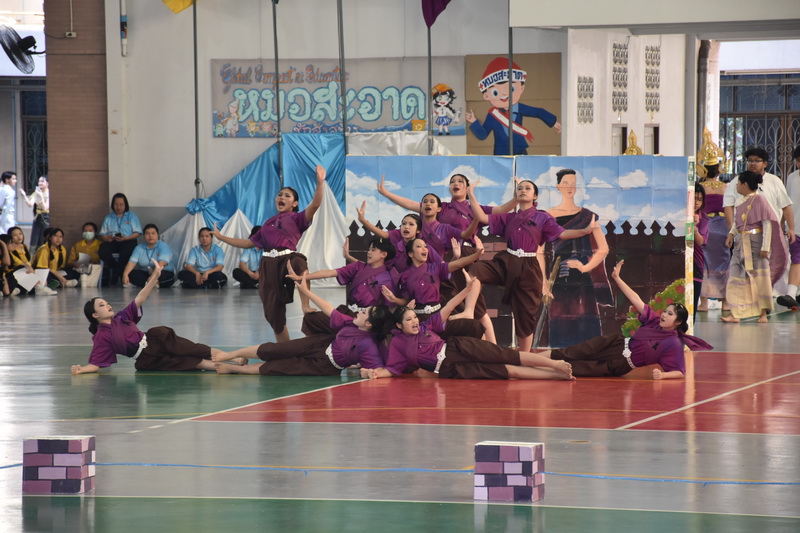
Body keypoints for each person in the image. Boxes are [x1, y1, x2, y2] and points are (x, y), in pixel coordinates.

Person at [377, 172, 516, 343]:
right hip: (444, 259)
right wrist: (386, 193)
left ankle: (492, 345)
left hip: (466, 255)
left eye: (460, 181)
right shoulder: (442, 207)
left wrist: (517, 199)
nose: (455, 184)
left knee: (476, 306)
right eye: (452, 181)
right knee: (448, 301)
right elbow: (412, 205)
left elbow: (501, 210)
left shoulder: (475, 208)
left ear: (467, 187)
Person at [467, 179, 599, 352]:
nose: (522, 190)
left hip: (528, 267)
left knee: (526, 314)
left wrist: (585, 231)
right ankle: (469, 311)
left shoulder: (542, 217)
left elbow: (563, 233)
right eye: (520, 188)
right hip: (507, 261)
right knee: (476, 270)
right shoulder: (509, 217)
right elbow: (482, 217)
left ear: (535, 196)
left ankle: (524, 356)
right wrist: (471, 194)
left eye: (527, 188)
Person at [365, 277, 574, 381]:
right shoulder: (399, 344)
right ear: (399, 325)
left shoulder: (427, 326)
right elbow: (392, 369)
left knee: (507, 356)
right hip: (450, 369)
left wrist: (466, 290)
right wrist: (375, 374)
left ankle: (555, 364)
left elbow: (448, 307)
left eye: (414, 318)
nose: (414, 322)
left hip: (458, 347)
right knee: (505, 371)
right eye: (408, 320)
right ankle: (557, 375)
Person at [534, 260, 713, 379]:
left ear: (678, 322)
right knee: (570, 352)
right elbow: (636, 299)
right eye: (665, 311)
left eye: (670, 314)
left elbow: (680, 371)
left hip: (619, 364)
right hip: (615, 343)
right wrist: (617, 278)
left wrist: (663, 376)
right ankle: (528, 360)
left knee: (576, 368)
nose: (664, 315)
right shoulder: (653, 321)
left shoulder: (673, 343)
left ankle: (533, 370)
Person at [210, 165, 327, 342]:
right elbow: (248, 243)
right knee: (273, 314)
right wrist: (221, 237)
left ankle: (305, 304)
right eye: (280, 194)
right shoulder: (266, 224)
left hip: (286, 259)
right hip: (268, 265)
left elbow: (316, 204)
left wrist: (320, 183)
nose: (282, 197)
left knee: (299, 263)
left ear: (294, 204)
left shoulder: (297, 218)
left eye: (287, 196)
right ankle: (285, 350)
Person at [71, 260, 239, 375]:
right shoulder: (101, 336)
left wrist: (154, 277)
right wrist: (82, 369)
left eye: (107, 303)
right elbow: (96, 363)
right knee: (191, 361)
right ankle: (232, 367)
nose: (108, 305)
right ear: (95, 315)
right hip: (148, 358)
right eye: (102, 305)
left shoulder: (122, 317)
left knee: (194, 349)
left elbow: (140, 298)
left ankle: (234, 357)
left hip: (157, 340)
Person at [213, 271, 392, 376]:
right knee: (274, 350)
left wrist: (369, 373)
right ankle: (232, 354)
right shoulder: (351, 322)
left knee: (277, 367)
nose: (359, 311)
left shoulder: (368, 346)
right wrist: (306, 291)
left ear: (369, 324)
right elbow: (328, 308)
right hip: (321, 343)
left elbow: (377, 369)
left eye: (364, 313)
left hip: (325, 365)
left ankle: (234, 369)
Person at [545, 169, 613, 347]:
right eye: (565, 183)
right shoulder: (548, 215)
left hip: (582, 276)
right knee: (560, 318)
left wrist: (585, 268)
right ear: (558, 186)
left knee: (585, 318)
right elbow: (538, 249)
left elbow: (603, 248)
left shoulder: (588, 216)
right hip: (558, 273)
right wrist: (543, 282)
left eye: (573, 184)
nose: (570, 187)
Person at [293, 236, 398, 336]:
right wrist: (301, 277)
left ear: (384, 254)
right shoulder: (358, 266)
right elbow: (330, 273)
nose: (369, 252)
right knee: (310, 318)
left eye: (373, 250)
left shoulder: (386, 278)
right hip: (349, 313)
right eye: (369, 249)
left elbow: (390, 306)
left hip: (365, 320)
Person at [722, 171, 787, 323]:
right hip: (740, 244)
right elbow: (737, 222)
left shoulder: (760, 200)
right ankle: (736, 313)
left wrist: (765, 247)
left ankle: (763, 313)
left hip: (757, 245)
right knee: (735, 278)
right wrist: (731, 234)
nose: (736, 186)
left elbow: (767, 225)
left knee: (760, 279)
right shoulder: (739, 201)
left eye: (738, 183)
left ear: (745, 184)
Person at [465, 58, 561, 156]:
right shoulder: (492, 115)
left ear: (521, 88)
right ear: (486, 96)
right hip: (501, 153)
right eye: (495, 92)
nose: (504, 94)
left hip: (519, 149)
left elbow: (538, 112)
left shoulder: (519, 108)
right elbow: (483, 135)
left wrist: (553, 121)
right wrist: (474, 121)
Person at [387, 237, 485, 322]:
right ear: (410, 254)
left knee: (473, 326)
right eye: (419, 246)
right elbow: (406, 301)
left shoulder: (436, 268)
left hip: (439, 315)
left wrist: (476, 255)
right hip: (418, 319)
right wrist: (394, 299)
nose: (424, 249)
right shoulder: (405, 276)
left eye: (425, 246)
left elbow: (458, 264)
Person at [696, 131, 730, 311]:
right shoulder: (725, 187)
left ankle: (703, 303)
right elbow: (731, 209)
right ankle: (725, 302)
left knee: (705, 263)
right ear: (719, 169)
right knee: (724, 262)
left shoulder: (701, 187)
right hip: (723, 227)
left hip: (706, 226)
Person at [356, 206, 443, 274]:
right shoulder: (395, 249)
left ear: (418, 230)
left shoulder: (426, 248)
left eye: (411, 224)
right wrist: (363, 220)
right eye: (404, 224)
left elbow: (442, 265)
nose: (406, 227)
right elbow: (379, 267)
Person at [99, 193, 143, 285]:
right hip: (113, 241)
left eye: (121, 204)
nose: (118, 207)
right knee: (102, 250)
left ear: (125, 204)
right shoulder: (108, 218)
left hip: (128, 240)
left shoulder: (132, 216)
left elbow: (138, 233)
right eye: (116, 204)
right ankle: (117, 270)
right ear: (113, 205)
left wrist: (127, 238)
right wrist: (108, 238)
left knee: (126, 252)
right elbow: (102, 234)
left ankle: (115, 275)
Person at [777, 145, 800, 309]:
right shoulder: (792, 177)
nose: (799, 164)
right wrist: (782, 223)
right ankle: (791, 294)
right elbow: (787, 204)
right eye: (798, 161)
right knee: (796, 259)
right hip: (796, 228)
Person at [123, 223, 176, 288]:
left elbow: (161, 264)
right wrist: (125, 274)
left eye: (153, 233)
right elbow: (131, 263)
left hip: (161, 272)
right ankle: (151, 284)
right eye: (147, 234)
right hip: (146, 273)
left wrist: (153, 277)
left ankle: (148, 284)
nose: (150, 236)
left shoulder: (164, 247)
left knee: (163, 276)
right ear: (144, 235)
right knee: (131, 274)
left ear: (157, 235)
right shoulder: (139, 248)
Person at [691, 185, 708, 320]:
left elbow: (700, 241)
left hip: (696, 263)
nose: (697, 202)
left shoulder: (703, 218)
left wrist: (694, 227)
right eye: (694, 198)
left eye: (700, 200)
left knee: (693, 301)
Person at [20, 175, 50, 249]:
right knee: (34, 237)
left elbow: (45, 207)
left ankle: (43, 252)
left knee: (43, 237)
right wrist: (24, 195)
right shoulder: (37, 192)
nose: (40, 183)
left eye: (42, 181)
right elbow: (30, 204)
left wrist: (41, 197)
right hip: (37, 217)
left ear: (47, 183)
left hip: (46, 217)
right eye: (39, 181)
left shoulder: (48, 193)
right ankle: (33, 253)